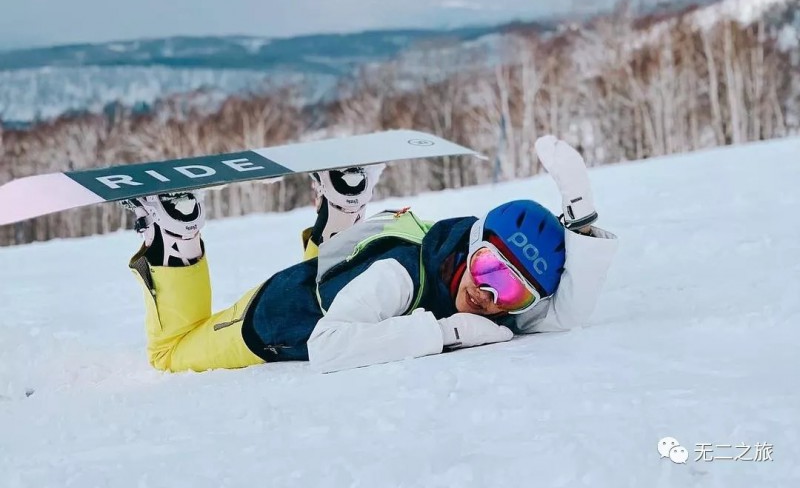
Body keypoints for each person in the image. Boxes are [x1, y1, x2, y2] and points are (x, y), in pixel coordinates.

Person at [126, 135, 619, 374]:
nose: (489, 295)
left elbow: (559, 317)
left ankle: (343, 199)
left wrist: (582, 222)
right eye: (488, 268)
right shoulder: (401, 278)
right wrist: (444, 332)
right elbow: (329, 346)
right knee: (169, 356)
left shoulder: (475, 280)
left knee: (350, 278)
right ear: (474, 247)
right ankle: (175, 233)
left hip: (342, 270)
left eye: (510, 291)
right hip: (278, 317)